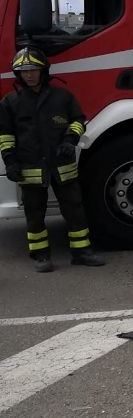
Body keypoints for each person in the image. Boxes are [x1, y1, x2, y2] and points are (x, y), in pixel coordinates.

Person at [0, 46, 105, 272]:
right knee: (34, 214)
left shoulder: (62, 97)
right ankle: (40, 256)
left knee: (75, 210)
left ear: (43, 70)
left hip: (62, 165)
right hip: (30, 167)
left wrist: (70, 140)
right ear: (18, 74)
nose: (28, 75)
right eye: (24, 71)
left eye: (33, 70)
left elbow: (78, 120)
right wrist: (10, 161)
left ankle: (82, 252)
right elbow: (5, 135)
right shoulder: (10, 103)